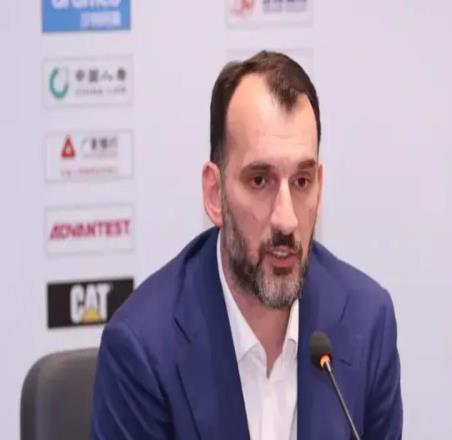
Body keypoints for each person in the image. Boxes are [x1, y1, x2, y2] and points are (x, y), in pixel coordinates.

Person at [91, 51, 403, 439]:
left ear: (320, 189)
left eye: (301, 182)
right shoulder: (143, 349)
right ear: (214, 193)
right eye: (260, 181)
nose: (286, 220)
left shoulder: (366, 322)